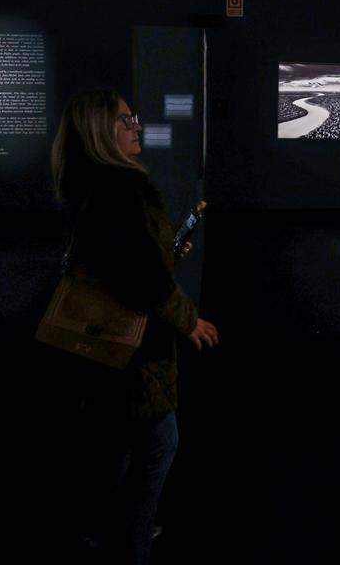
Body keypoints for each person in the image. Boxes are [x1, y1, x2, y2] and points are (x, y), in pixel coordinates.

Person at [48, 88, 219, 564]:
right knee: (160, 442)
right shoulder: (123, 191)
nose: (137, 126)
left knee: (118, 444)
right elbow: (144, 280)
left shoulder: (86, 185)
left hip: (98, 352)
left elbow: (122, 263)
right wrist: (189, 321)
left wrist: (159, 253)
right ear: (102, 130)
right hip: (131, 353)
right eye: (127, 120)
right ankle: (132, 543)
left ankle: (105, 529)